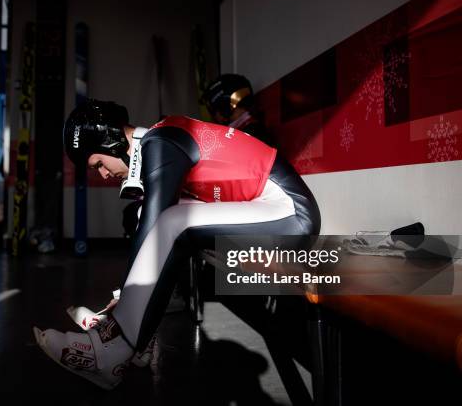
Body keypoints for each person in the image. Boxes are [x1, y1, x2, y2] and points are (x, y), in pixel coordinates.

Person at [33, 99, 320, 389]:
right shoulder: (160, 138)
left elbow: (158, 224)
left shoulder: (160, 142)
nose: (104, 175)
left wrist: (124, 296)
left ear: (111, 142)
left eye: (98, 164)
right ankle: (136, 341)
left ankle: (113, 350)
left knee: (171, 221)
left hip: (290, 215)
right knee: (154, 215)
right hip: (266, 211)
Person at [202, 73, 276, 147]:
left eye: (214, 110)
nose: (214, 117)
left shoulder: (251, 134)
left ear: (225, 107)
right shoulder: (250, 130)